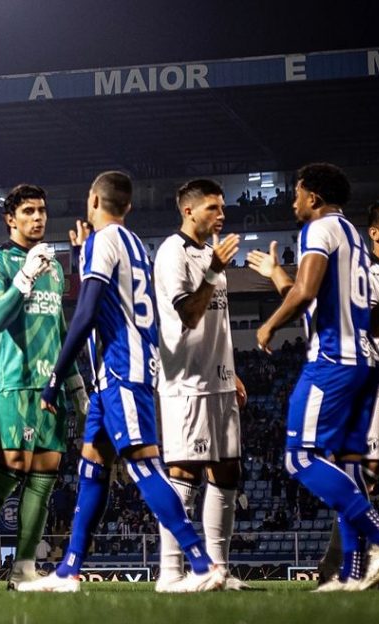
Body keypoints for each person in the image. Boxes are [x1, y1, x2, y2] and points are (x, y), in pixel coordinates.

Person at [22, 171, 226, 593]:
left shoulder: (104, 241)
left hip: (121, 369)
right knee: (93, 467)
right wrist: (82, 258)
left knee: (143, 464)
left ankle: (203, 564)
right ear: (128, 207)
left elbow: (87, 311)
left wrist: (56, 375)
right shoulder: (134, 243)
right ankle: (69, 571)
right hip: (114, 375)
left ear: (92, 200)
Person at [249, 166, 379, 590]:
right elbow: (352, 311)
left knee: (301, 458)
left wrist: (270, 325)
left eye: (296, 194)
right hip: (366, 363)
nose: (293, 202)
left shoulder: (318, 230)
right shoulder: (352, 236)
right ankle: (348, 576)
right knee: (348, 470)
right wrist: (278, 275)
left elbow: (306, 292)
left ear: (313, 197)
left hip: (332, 361)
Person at [0, 183, 88, 591]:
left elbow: (59, 326)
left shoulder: (56, 267)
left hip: (52, 384)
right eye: (28, 211)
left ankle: (24, 568)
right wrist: (25, 274)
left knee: (45, 475)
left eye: (42, 210)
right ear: (11, 219)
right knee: (12, 469)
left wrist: (76, 383)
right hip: (13, 381)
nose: (38, 217)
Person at [152, 179, 248, 592]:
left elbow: (216, 322)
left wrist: (231, 369)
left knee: (228, 470)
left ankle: (218, 570)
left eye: (222, 208)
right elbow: (189, 315)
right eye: (213, 208)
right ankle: (171, 573)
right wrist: (213, 272)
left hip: (218, 378)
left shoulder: (211, 254)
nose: (221, 215)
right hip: (185, 381)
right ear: (188, 211)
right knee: (184, 472)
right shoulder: (172, 252)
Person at [315, 198, 379, 583]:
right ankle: (336, 567)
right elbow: (374, 328)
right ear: (374, 233)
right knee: (364, 475)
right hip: (376, 387)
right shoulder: (363, 274)